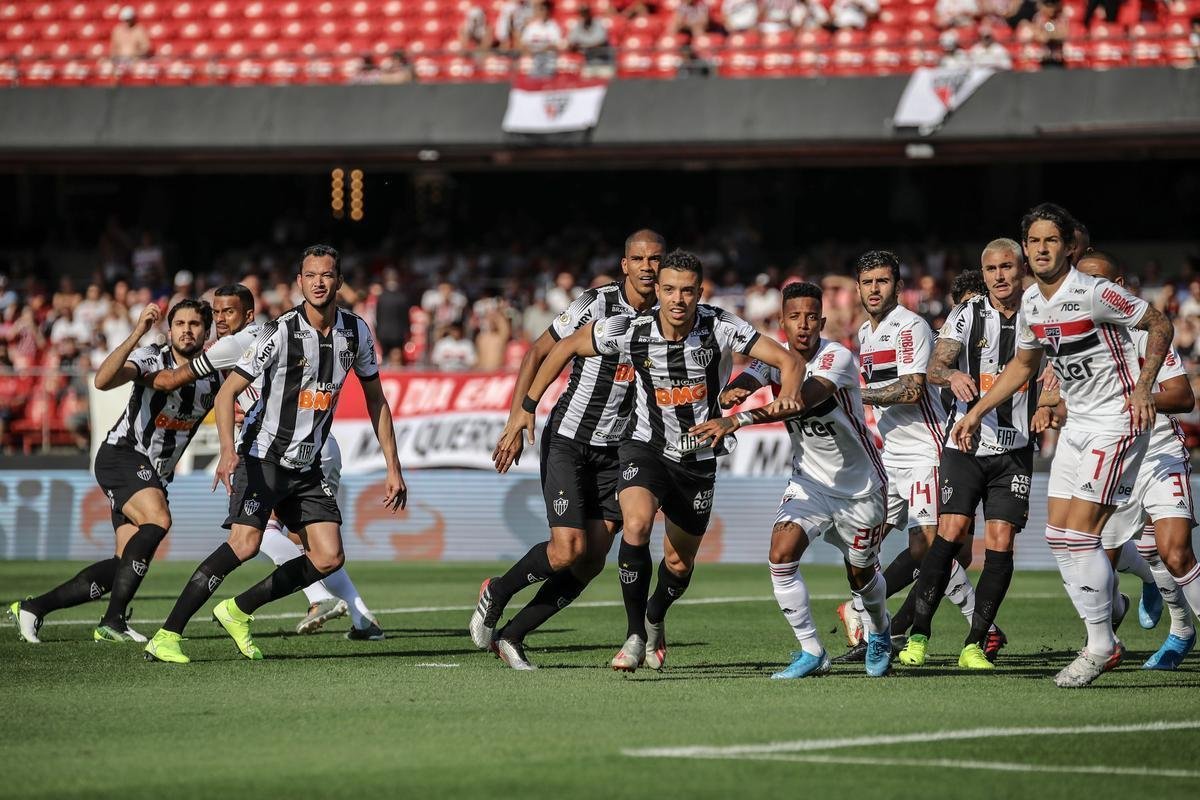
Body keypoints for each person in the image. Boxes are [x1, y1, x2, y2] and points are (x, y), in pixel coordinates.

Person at [516, 250, 803, 671]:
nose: (677, 299)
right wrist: (527, 404)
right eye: (669, 289)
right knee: (635, 524)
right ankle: (633, 636)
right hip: (645, 447)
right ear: (659, 290)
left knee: (678, 563)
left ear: (699, 293)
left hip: (698, 459)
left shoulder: (718, 325)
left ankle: (654, 615)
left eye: (687, 291)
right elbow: (565, 348)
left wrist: (765, 406)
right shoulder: (631, 329)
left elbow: (788, 361)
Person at [143, 245, 408, 664]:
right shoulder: (279, 332)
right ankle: (167, 633)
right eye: (310, 275)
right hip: (261, 457)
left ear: (339, 282)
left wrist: (394, 466)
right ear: (299, 283)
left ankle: (237, 610)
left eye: (327, 275)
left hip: (306, 465)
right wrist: (229, 452)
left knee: (327, 555)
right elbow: (228, 392)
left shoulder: (356, 332)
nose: (319, 282)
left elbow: (376, 399)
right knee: (245, 544)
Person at [949, 202, 1174, 687]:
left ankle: (1101, 644)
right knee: (1058, 536)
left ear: (1069, 246)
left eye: (1051, 240)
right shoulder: (1032, 303)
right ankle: (1109, 616)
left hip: (1115, 421)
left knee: (1079, 535)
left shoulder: (1095, 292)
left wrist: (1143, 385)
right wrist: (976, 412)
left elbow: (1159, 323)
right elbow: (1023, 366)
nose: (1042, 249)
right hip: (1075, 427)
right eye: (1034, 242)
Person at [473, 230, 665, 670]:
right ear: (625, 264)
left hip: (621, 451)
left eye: (655, 259)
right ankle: (497, 592)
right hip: (570, 440)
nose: (647, 267)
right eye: (639, 258)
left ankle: (513, 636)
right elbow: (538, 352)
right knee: (566, 550)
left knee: (591, 560)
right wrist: (520, 415)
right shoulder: (595, 304)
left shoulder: (672, 313)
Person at [697, 282, 894, 678]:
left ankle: (880, 631)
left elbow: (800, 401)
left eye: (810, 317)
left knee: (861, 573)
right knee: (781, 554)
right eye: (794, 317)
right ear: (782, 320)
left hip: (860, 488)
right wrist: (736, 391)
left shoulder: (836, 358)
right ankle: (811, 650)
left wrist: (737, 418)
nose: (803, 325)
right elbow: (751, 375)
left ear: (821, 321)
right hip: (809, 483)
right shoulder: (776, 357)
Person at [10, 301, 218, 644]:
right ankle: (112, 620)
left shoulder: (216, 372)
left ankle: (36, 608)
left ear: (205, 331)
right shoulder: (153, 356)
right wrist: (137, 332)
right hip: (123, 455)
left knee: (123, 565)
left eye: (194, 324)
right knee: (159, 521)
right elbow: (102, 381)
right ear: (169, 329)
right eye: (179, 323)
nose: (186, 330)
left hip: (155, 473)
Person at [897, 239, 1038, 670]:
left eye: (1006, 267)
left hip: (1014, 450)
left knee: (1001, 542)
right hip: (965, 445)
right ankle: (918, 635)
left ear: (1021, 269)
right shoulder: (967, 313)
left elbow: (1054, 369)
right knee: (951, 533)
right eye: (991, 268)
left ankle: (975, 642)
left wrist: (1052, 401)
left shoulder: (1040, 314)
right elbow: (934, 368)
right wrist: (953, 373)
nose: (998, 276)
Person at [838, 251, 979, 657]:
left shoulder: (910, 327)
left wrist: (851, 394)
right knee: (864, 540)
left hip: (924, 450)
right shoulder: (865, 334)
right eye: (867, 282)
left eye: (882, 281)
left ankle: (980, 627)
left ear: (898, 287)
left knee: (933, 545)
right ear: (859, 288)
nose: (874, 289)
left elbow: (913, 389)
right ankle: (867, 621)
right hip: (888, 456)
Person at [1069, 252, 1198, 671]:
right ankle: (1108, 639)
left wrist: (1142, 395)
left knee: (1174, 551)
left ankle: (1180, 630)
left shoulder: (1145, 333)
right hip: (1114, 454)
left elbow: (1183, 396)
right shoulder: (1078, 340)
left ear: (1118, 285)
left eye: (1097, 284)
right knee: (1095, 558)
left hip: (1158, 450)